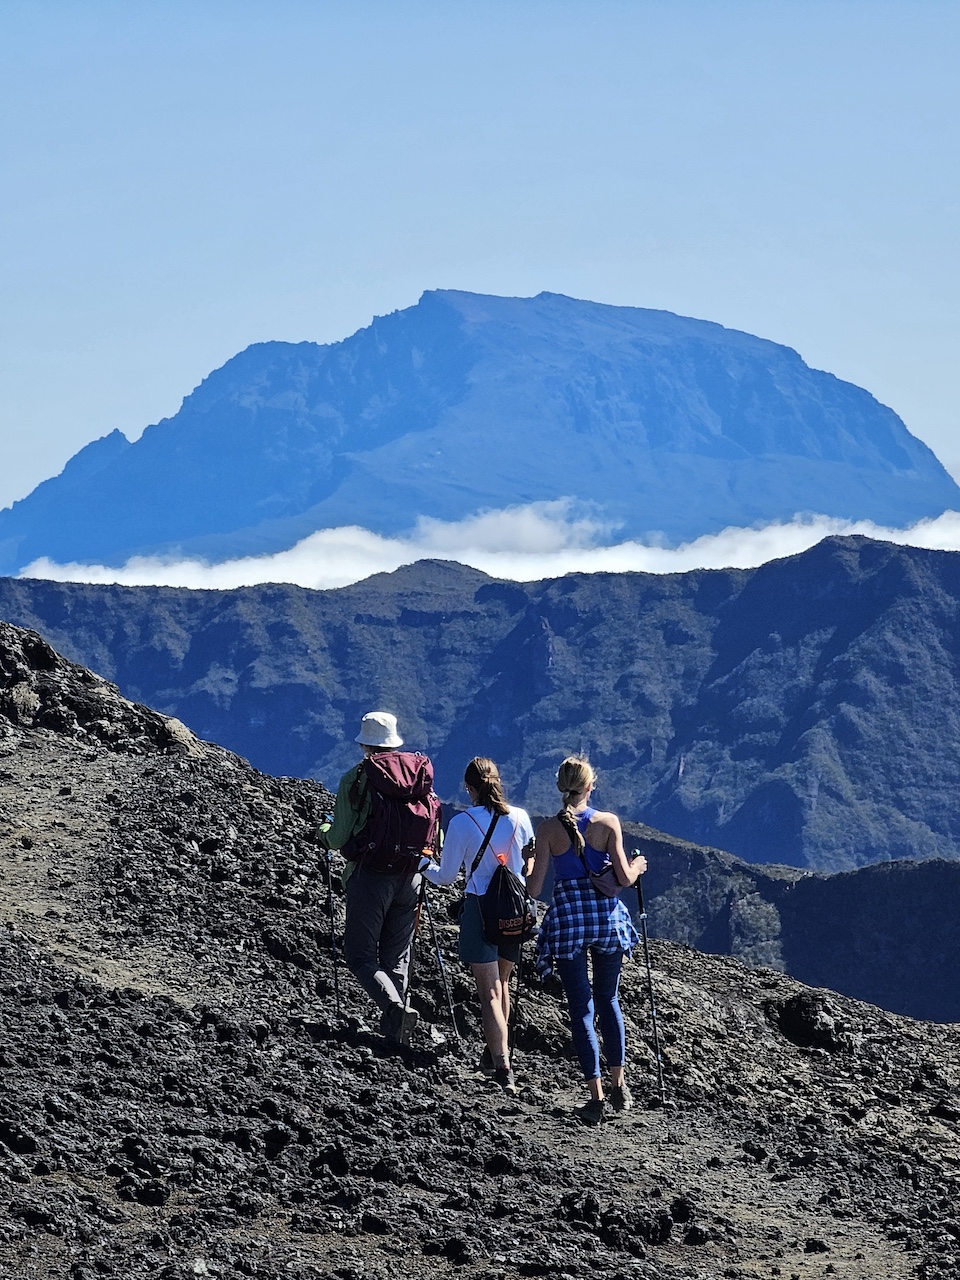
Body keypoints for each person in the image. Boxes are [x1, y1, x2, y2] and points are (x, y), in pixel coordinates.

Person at [527, 755, 647, 1123]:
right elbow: (624, 878)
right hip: (605, 920)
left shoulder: (547, 829)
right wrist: (639, 866)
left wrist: (527, 862)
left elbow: (534, 888)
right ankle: (619, 1087)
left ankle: (594, 1096)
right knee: (608, 999)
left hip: (568, 921)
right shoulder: (607, 823)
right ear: (590, 785)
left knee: (580, 1007)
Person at [319, 711, 436, 1044]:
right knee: (396, 956)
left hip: (371, 876)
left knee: (359, 955)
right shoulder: (418, 775)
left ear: (365, 744)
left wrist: (323, 832)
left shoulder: (357, 777)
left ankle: (395, 1011)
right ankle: (395, 1035)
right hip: (411, 875)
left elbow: (339, 836)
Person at [421, 757, 534, 1092]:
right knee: (503, 984)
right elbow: (528, 862)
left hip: (480, 909)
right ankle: (494, 1052)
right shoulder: (521, 818)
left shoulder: (462, 823)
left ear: (469, 787)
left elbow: (444, 877)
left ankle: (503, 1070)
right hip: (514, 911)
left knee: (490, 992)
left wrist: (421, 864)